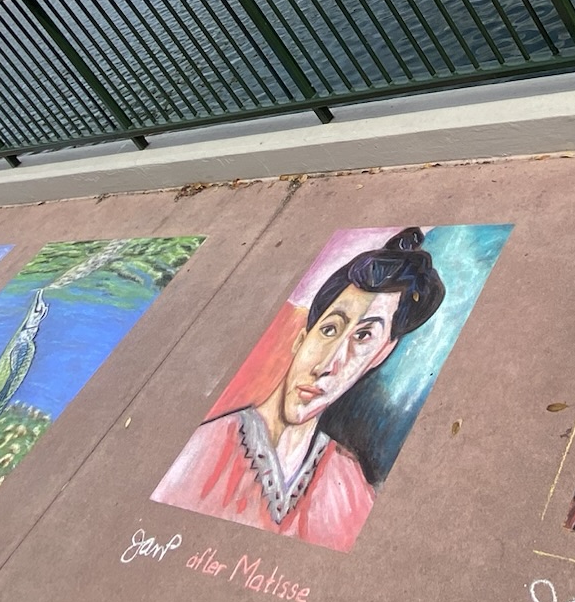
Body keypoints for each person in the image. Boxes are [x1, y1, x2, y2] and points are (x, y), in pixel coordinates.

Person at [152, 227, 444, 550]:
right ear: (301, 339)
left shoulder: (351, 490)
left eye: (362, 338)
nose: (328, 363)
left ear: (379, 356)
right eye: (330, 329)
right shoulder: (204, 454)